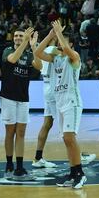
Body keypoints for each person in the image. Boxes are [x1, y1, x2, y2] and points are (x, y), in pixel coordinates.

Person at [35, 20, 86, 189]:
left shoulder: (74, 57)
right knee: (65, 138)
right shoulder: (55, 58)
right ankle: (73, 171)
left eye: (61, 39)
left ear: (70, 43)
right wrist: (50, 34)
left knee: (70, 137)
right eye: (57, 40)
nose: (58, 42)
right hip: (59, 101)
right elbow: (38, 51)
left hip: (72, 102)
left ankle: (80, 173)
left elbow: (70, 52)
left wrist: (59, 34)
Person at [0, 27, 42, 180]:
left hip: (23, 97)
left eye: (21, 36)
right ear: (13, 38)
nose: (18, 38)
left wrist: (34, 46)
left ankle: (19, 166)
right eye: (16, 35)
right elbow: (12, 59)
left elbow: (39, 66)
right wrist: (24, 43)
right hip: (8, 96)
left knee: (21, 132)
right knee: (10, 131)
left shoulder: (29, 53)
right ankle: (9, 163)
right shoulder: (7, 50)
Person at [32, 37, 58, 169]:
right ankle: (76, 156)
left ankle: (38, 157)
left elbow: (37, 65)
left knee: (47, 123)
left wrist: (33, 47)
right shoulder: (52, 50)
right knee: (65, 124)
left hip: (46, 88)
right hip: (54, 89)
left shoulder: (42, 51)